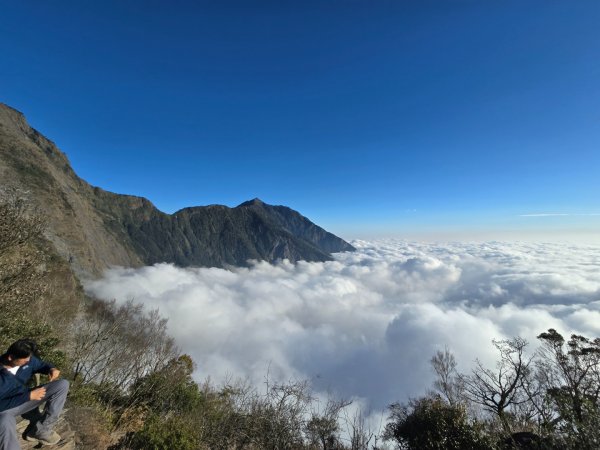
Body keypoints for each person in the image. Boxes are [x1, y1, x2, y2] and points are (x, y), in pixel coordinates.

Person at [0, 339, 69, 449]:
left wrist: (51, 369)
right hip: (5, 410)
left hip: (27, 399)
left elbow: (40, 364)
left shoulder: (27, 360)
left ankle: (42, 430)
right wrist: (28, 396)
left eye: (29, 358)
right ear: (10, 357)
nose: (28, 362)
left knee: (62, 385)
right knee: (4, 425)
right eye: (24, 360)